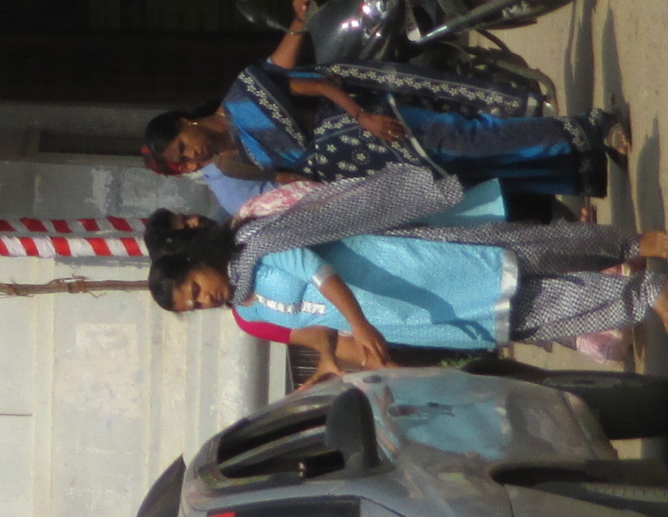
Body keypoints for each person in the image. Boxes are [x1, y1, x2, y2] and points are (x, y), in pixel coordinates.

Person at [147, 153, 668, 359]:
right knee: (535, 314)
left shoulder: (255, 248)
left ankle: (630, 246)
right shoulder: (247, 311)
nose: (202, 301)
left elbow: (319, 271)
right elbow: (316, 332)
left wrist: (360, 324)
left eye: (193, 291)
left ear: (197, 262)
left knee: (528, 249)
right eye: (193, 308)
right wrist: (342, 358)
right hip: (415, 317)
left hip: (416, 263)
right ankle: (644, 293)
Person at [140, 0, 620, 195]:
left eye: (182, 148)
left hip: (376, 122)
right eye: (183, 163)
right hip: (379, 167)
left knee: (476, 137)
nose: (191, 160)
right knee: (476, 168)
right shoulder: (237, 165)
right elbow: (291, 178)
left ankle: (592, 128)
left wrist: (361, 116)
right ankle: (581, 163)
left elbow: (307, 81)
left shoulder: (242, 99)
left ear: (186, 122)